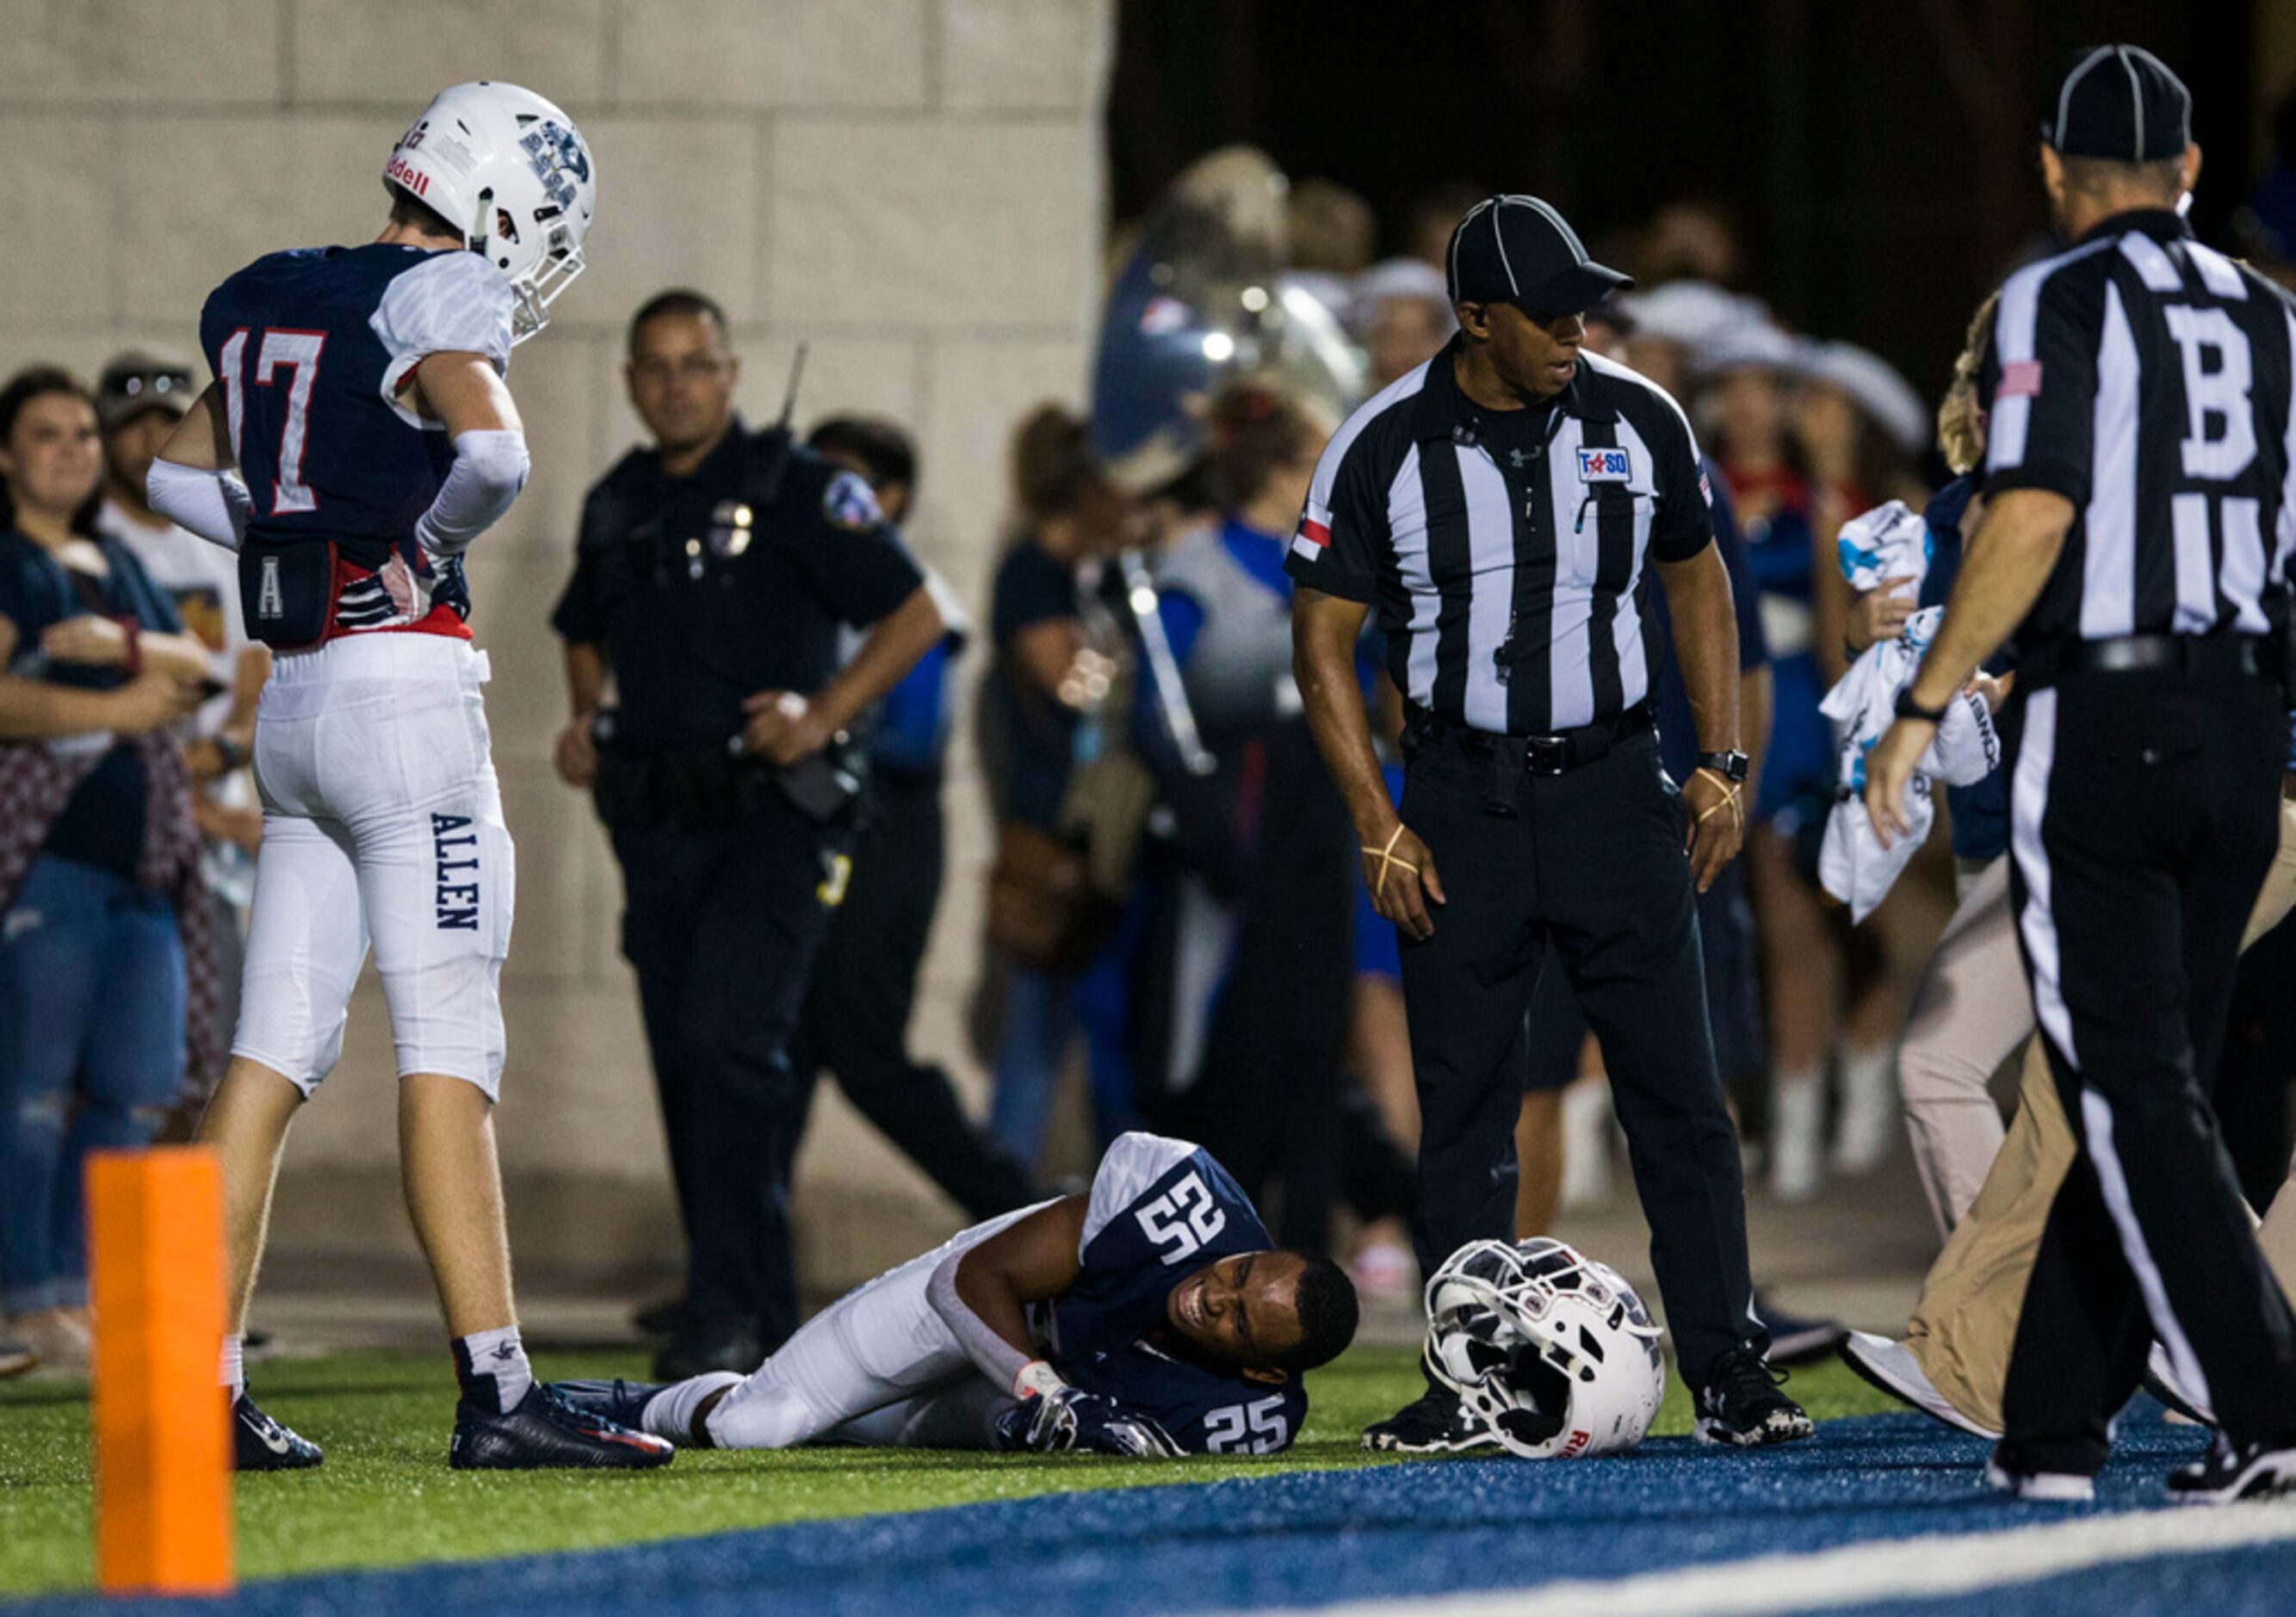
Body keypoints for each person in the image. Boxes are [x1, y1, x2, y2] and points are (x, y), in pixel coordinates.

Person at [149, 82, 667, 1472]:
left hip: (296, 706)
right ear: (494, 200)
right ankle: (497, 1390)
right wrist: (416, 541)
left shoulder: (273, 293)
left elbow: (169, 473)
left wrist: (292, 530)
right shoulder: (438, 295)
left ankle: (189, 1385)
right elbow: (492, 454)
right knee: (450, 1037)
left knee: (267, 1054)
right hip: (400, 694)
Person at [1289, 195, 1809, 1452]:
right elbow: (1321, 636)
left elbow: (1696, 576)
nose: (1578, 326)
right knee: (1464, 1107)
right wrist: (1375, 819)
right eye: (1550, 308)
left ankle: (1730, 1374)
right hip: (1459, 800)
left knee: (1675, 1093)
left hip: (1613, 787)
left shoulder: (1638, 414)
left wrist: (1721, 759)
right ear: (1475, 318)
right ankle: (1463, 1377)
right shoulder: (1380, 443)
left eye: (1584, 302)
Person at [1864, 44, 2296, 1504]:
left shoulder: (2056, 294)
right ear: (2187, 171)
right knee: (2145, 1081)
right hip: (2244, 722)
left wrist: (1922, 705)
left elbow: (2033, 507)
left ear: (2055, 170)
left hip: (2106, 719)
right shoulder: (2268, 315)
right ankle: (2051, 1425)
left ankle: (2267, 1394)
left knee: (2124, 1086)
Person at [552, 291, 945, 1382]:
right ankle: (754, 1302)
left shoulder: (802, 486)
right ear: (632, 383)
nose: (676, 384)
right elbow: (580, 627)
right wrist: (588, 720)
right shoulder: (615, 501)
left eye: (696, 364)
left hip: (775, 819)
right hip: (657, 820)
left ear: (729, 375)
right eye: (656, 367)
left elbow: (915, 613)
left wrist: (820, 716)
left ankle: (727, 1305)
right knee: (691, 1062)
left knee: (732, 1043)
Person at [551, 1132, 1359, 1457]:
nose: (1217, 1295)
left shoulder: (1251, 1418)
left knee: (846, 1432)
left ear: (1260, 1372)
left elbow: (1079, 1443)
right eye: (1241, 1274)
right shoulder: (1180, 1196)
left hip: (1032, 1396)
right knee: (758, 1426)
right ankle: (624, 1406)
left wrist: (1054, 1419)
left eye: (1241, 1321)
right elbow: (970, 1281)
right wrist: (1049, 1392)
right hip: (982, 1310)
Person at [1143, 381, 1414, 1260]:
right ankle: (1220, 1256)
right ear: (1272, 471)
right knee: (1227, 1053)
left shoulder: (1341, 565)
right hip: (1232, 834)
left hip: (1320, 831)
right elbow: (1162, 713)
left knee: (1312, 1050)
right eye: (1314, 461)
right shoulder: (1197, 566)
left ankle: (1302, 1258)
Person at [0, 366, 208, 1369]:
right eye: (48, 434)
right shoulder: (10, 561)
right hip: (51, 868)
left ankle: (87, 1293)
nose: (75, 449)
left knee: (135, 1089)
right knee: (35, 1088)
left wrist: (125, 646)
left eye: (86, 432)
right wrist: (119, 708)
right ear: (7, 456)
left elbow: (198, 667)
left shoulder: (114, 561)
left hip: (148, 874)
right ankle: (27, 1296)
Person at [783, 414, 1038, 1221]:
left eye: (847, 480)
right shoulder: (805, 583)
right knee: (777, 1053)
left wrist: (817, 718)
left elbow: (911, 740)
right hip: (810, 830)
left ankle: (1019, 1210)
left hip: (882, 833)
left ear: (890, 498)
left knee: (864, 1051)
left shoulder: (910, 595)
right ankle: (743, 1272)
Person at [94, 350, 269, 1100]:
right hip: (113, 825)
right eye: (132, 428)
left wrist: (222, 758)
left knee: (211, 1061)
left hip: (213, 848)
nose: (150, 443)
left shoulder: (220, 532)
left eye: (168, 424)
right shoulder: (95, 544)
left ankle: (183, 1222)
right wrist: (193, 786)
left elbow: (260, 679)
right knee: (107, 1067)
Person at [979, 406, 1136, 1162]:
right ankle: (994, 1208)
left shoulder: (1101, 574)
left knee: (1112, 1029)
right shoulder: (1031, 574)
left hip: (1111, 828)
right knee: (1037, 1029)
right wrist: (1122, 663)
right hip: (1049, 827)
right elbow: (1071, 683)